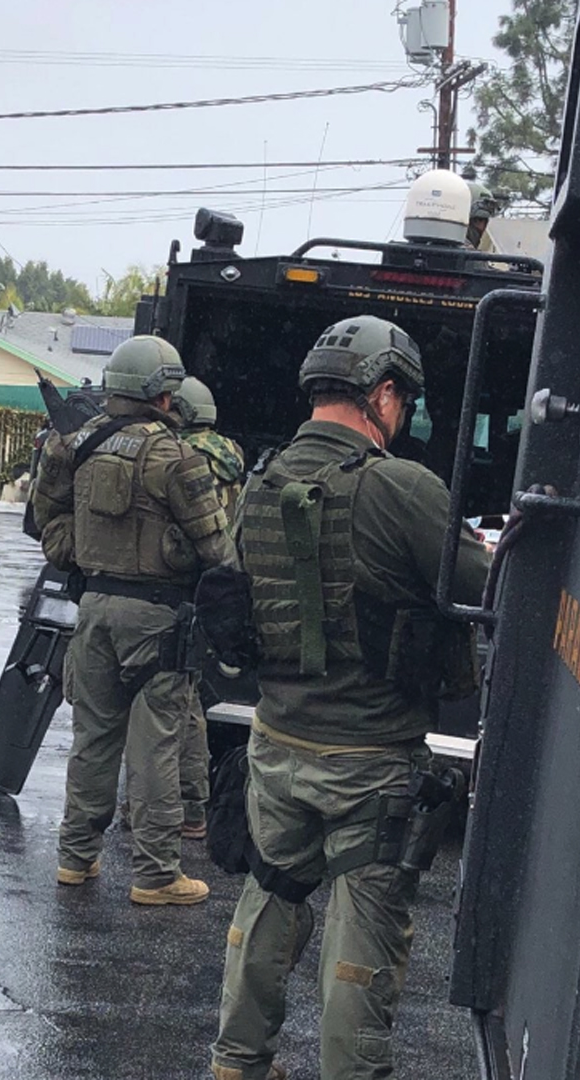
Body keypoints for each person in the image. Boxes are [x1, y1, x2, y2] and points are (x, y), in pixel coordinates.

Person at [210, 315, 491, 1080]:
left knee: (269, 898)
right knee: (362, 931)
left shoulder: (259, 485)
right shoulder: (402, 488)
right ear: (384, 392)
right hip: (372, 756)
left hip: (277, 741)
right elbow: (484, 583)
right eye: (404, 401)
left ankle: (236, 1061)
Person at [31, 335, 237, 905]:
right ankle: (155, 875)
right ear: (163, 396)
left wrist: (75, 552)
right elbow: (217, 546)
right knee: (155, 747)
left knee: (92, 738)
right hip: (158, 620)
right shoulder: (178, 458)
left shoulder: (71, 445)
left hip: (92, 610)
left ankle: (75, 859)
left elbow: (44, 517)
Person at [168, 375, 246, 840]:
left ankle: (184, 805)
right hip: (215, 589)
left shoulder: (186, 459)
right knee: (191, 698)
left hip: (181, 587)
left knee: (176, 704)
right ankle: (194, 803)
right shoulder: (231, 456)